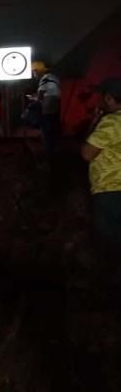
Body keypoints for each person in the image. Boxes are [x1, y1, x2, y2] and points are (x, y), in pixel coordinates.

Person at [81, 78, 121, 271]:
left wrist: (96, 122)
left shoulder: (112, 122)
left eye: (100, 97)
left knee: (110, 242)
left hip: (111, 190)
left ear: (110, 99)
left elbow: (87, 153)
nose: (97, 101)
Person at [28, 61, 61, 153]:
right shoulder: (53, 77)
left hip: (48, 109)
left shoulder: (45, 79)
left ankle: (48, 151)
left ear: (38, 71)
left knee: (46, 131)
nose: (33, 74)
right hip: (55, 108)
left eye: (33, 72)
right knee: (52, 130)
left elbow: (40, 97)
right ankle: (52, 149)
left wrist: (32, 98)